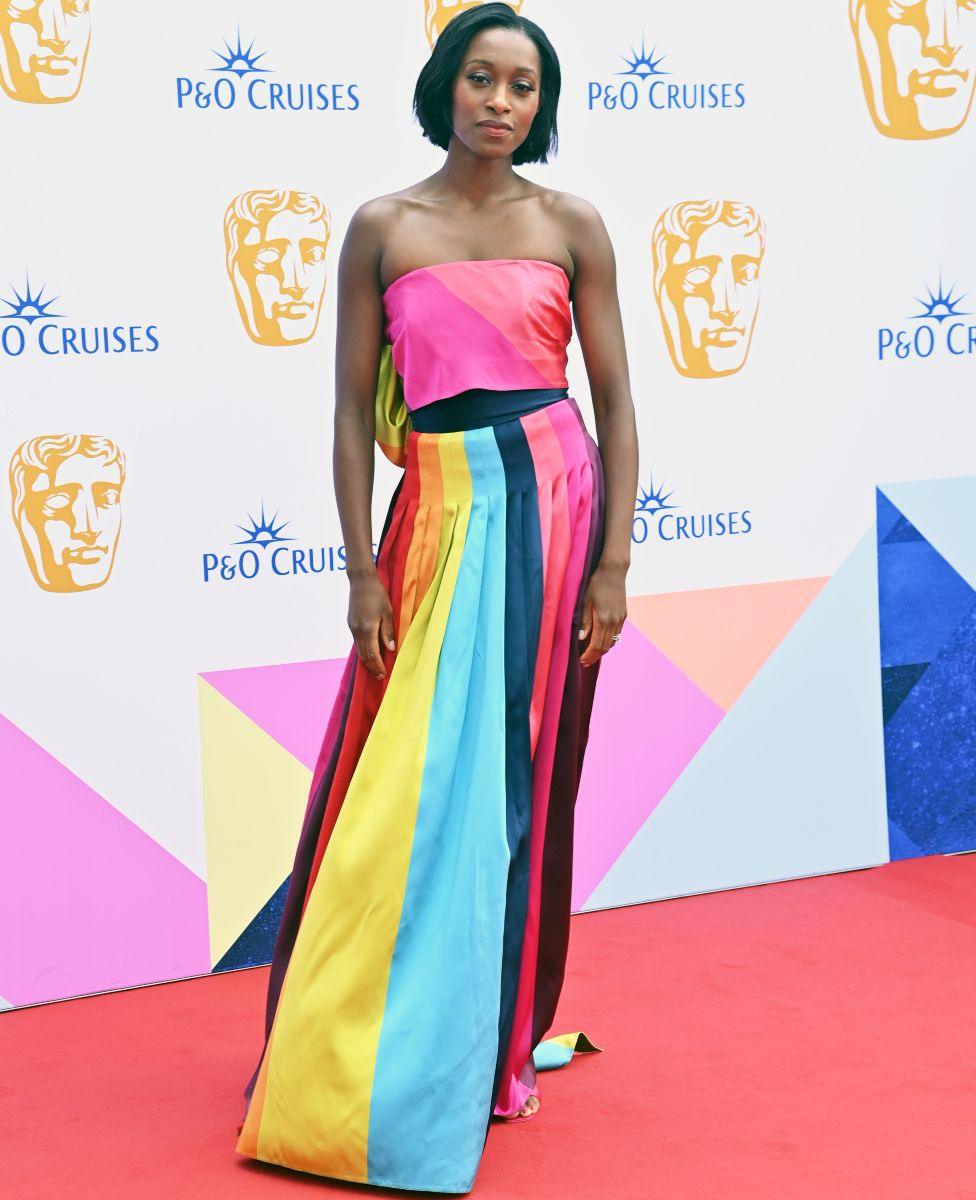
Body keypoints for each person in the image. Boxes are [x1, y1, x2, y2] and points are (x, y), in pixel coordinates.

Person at [235, 4, 638, 1192]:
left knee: (521, 783)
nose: (499, 102)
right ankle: (354, 1040)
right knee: (395, 785)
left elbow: (614, 404)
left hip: (557, 510)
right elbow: (354, 417)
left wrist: (614, 563)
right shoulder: (381, 227)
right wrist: (360, 567)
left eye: (522, 85)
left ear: (540, 106)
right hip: (434, 518)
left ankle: (495, 1044)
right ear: (443, 88)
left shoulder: (572, 225)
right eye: (480, 78)